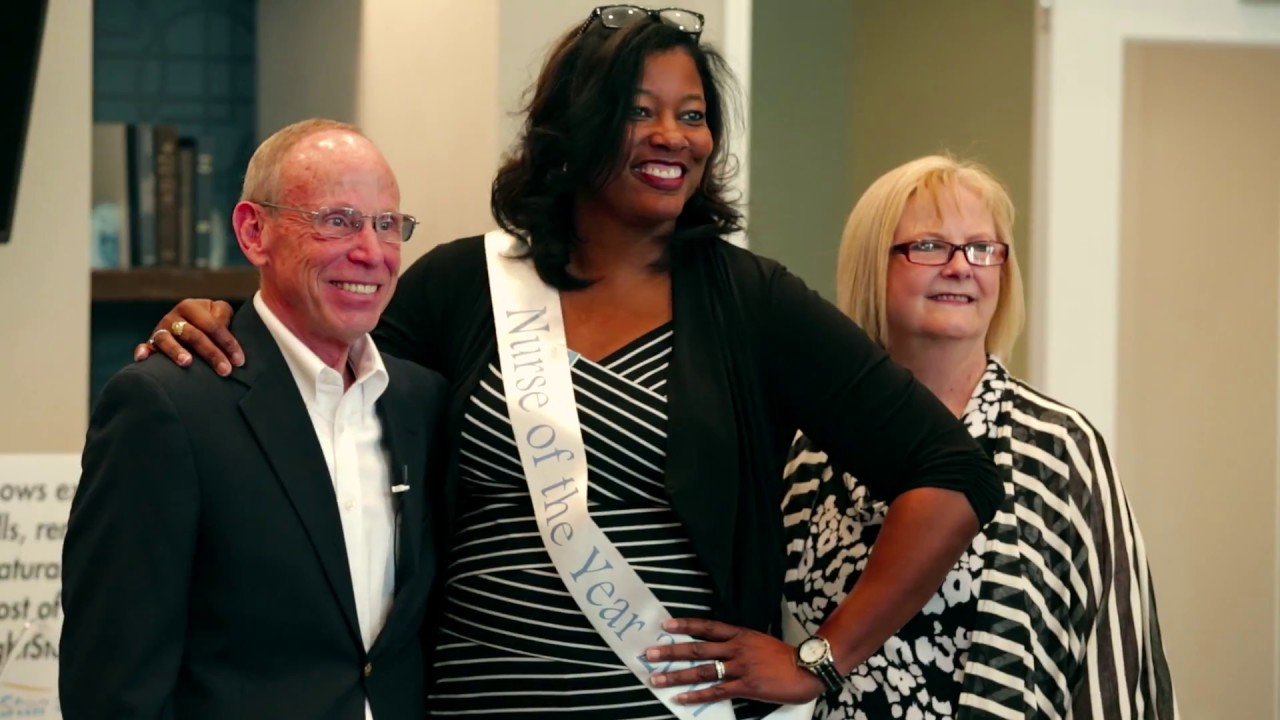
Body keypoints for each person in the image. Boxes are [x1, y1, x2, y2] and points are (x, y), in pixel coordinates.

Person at [134, 8, 1004, 719]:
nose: (674, 136)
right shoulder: (462, 288)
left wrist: (823, 656)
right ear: (575, 124)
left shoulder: (752, 302)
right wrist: (221, 320)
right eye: (639, 109)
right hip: (474, 705)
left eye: (693, 114)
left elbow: (952, 472)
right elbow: (317, 384)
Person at [60, 118, 449, 720]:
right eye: (337, 220)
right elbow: (113, 682)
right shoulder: (166, 406)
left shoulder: (419, 402)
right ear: (253, 231)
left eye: (387, 225)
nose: (370, 252)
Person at [779, 155, 1178, 718]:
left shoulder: (1060, 446)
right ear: (874, 266)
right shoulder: (807, 454)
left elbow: (1118, 657)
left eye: (982, 248)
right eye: (930, 246)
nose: (962, 266)